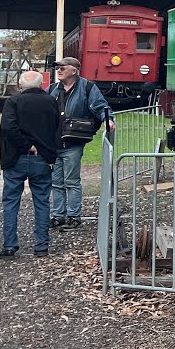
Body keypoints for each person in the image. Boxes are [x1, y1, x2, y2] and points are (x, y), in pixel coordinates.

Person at [0, 70, 61, 258]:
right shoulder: (51, 101)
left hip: (15, 158)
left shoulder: (13, 102)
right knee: (42, 202)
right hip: (42, 159)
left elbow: (8, 127)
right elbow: (57, 127)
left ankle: (9, 246)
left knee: (10, 202)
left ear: (20, 85)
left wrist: (27, 145)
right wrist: (45, 150)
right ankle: (41, 246)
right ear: (41, 84)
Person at [47, 57, 115, 229]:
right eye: (57, 68)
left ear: (74, 70)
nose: (59, 70)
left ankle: (73, 215)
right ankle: (58, 215)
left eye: (63, 67)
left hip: (73, 142)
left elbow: (101, 106)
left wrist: (109, 120)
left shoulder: (87, 87)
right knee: (56, 181)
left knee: (71, 180)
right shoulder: (52, 89)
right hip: (54, 142)